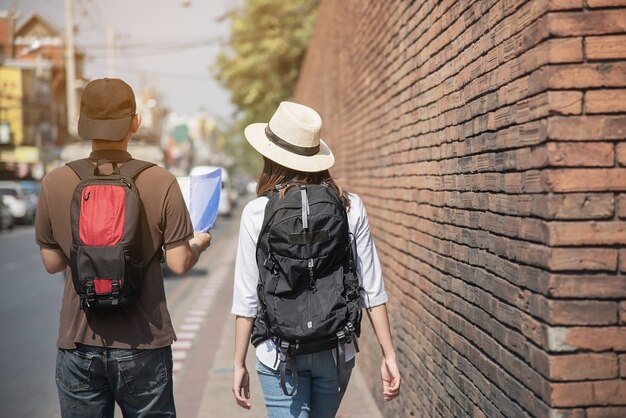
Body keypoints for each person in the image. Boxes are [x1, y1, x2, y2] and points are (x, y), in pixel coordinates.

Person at [35, 78, 212, 418]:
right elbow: (178, 263)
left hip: (78, 342)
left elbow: (52, 263)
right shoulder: (161, 181)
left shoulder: (55, 182)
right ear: (136, 122)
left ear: (81, 124)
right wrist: (199, 244)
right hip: (145, 342)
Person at [231, 101, 401, 417]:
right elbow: (371, 289)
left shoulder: (257, 212)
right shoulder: (350, 206)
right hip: (336, 348)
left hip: (277, 352)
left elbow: (246, 298)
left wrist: (238, 362)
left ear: (270, 157)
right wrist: (388, 355)